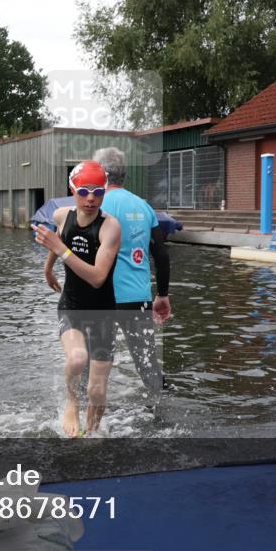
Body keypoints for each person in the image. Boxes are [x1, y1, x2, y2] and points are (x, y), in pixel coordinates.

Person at [31, 160, 121, 437]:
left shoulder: (110, 228)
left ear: (104, 192)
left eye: (97, 192)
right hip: (72, 306)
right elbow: (61, 237)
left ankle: (91, 435)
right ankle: (71, 401)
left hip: (104, 311)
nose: (91, 199)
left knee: (96, 390)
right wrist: (48, 268)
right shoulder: (61, 215)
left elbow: (97, 278)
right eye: (83, 192)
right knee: (78, 358)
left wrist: (61, 251)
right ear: (73, 191)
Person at [93, 147, 171, 395]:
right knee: (147, 363)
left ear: (102, 175)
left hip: (102, 298)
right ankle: (164, 413)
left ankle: (85, 422)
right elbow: (160, 255)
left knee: (94, 364)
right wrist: (163, 294)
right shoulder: (144, 207)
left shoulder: (96, 206)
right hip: (138, 298)